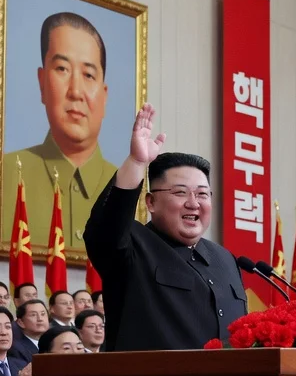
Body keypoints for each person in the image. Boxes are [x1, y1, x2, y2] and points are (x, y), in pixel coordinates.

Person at [84, 106, 245, 351]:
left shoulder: (225, 259)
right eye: (180, 192)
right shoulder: (132, 246)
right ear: (151, 202)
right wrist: (136, 163)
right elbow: (105, 226)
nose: (194, 203)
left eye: (202, 194)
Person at [4, 12, 117, 254]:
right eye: (62, 69)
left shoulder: (126, 188)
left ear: (105, 96)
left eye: (88, 75)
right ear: (42, 82)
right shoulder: (3, 173)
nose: (76, 91)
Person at [9, 299, 49, 365]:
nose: (40, 319)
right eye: (33, 315)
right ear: (21, 322)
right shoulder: (16, 349)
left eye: (43, 314)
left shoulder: (53, 343)